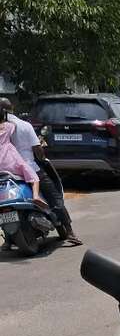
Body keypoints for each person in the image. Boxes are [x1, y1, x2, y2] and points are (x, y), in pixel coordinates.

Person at [0, 97, 82, 245]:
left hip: (5, 171)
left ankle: (8, 240)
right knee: (54, 197)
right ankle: (70, 231)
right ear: (11, 108)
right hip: (27, 166)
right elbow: (37, 149)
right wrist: (42, 158)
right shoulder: (23, 125)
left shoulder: (3, 127)